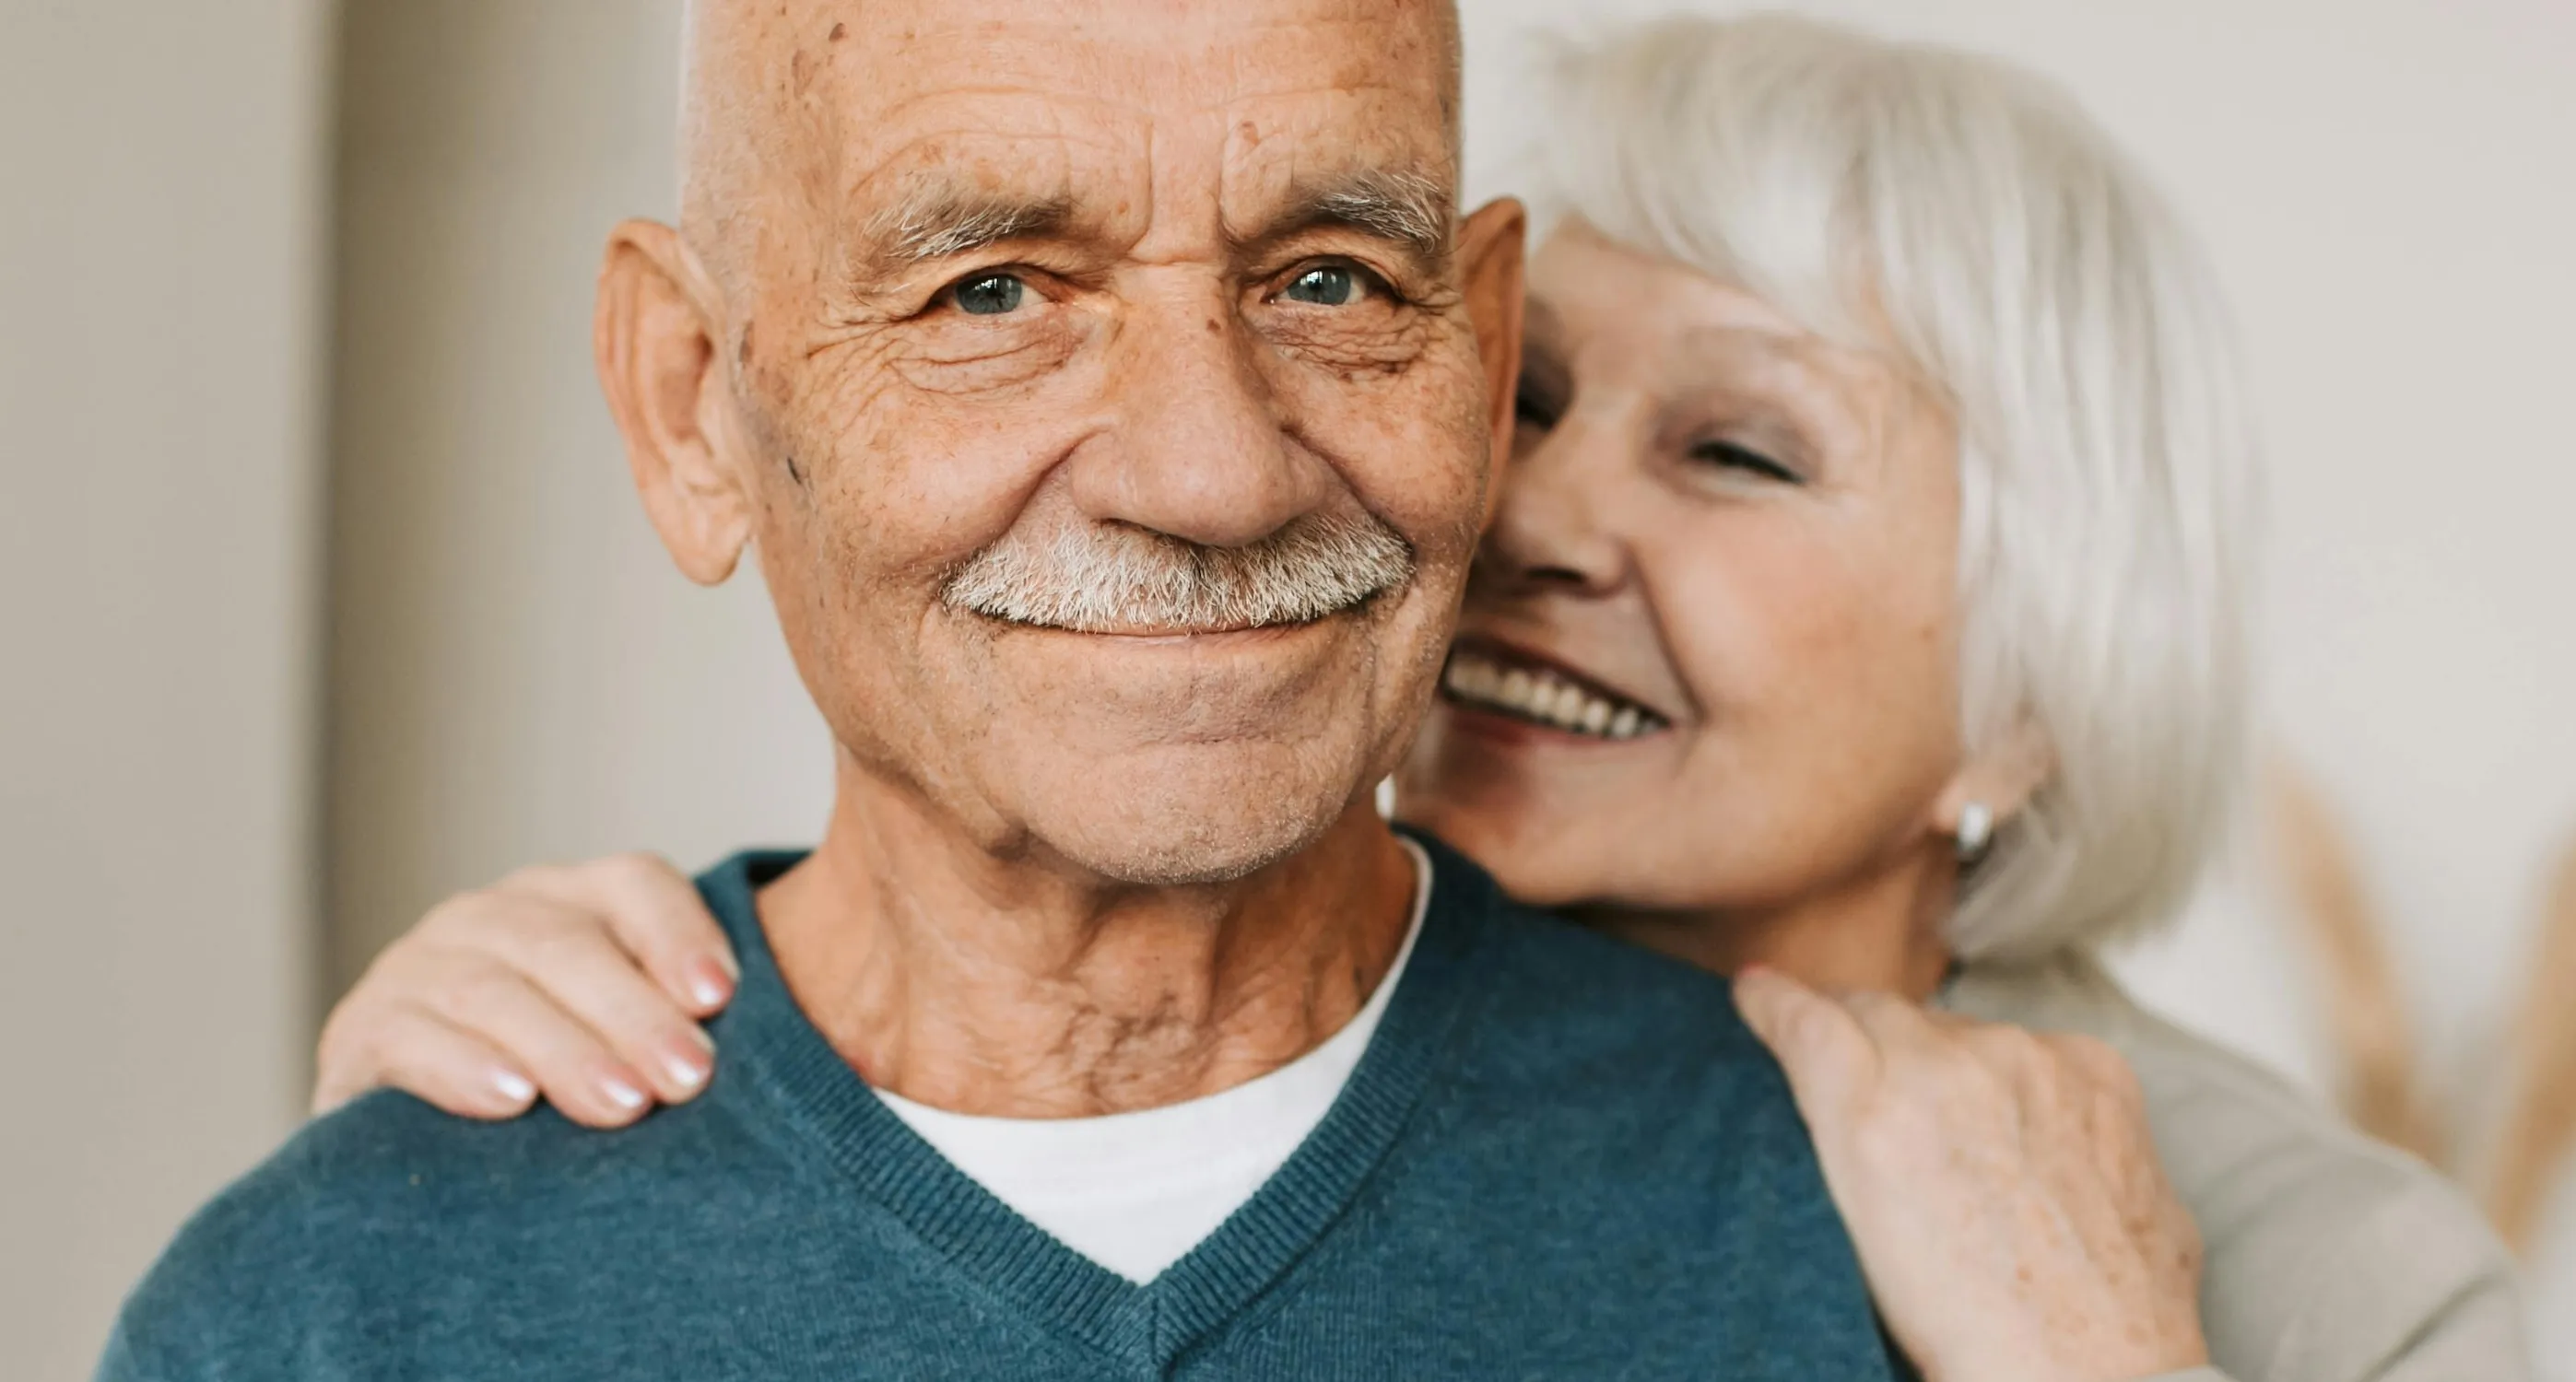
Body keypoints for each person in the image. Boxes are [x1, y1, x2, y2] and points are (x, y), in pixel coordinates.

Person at [310, 13, 2536, 1382]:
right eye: (1529, 393)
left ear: (2042, 686)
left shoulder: (2316, 1269)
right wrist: (475, 1162)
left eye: (1739, 451)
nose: (1528, 509)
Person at [98, 3, 1945, 1379]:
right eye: (991, 293)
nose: (1212, 473)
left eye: (1327, 274)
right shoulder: (331, 1309)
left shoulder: (1889, 1236)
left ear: (1473, 346)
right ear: (691, 404)